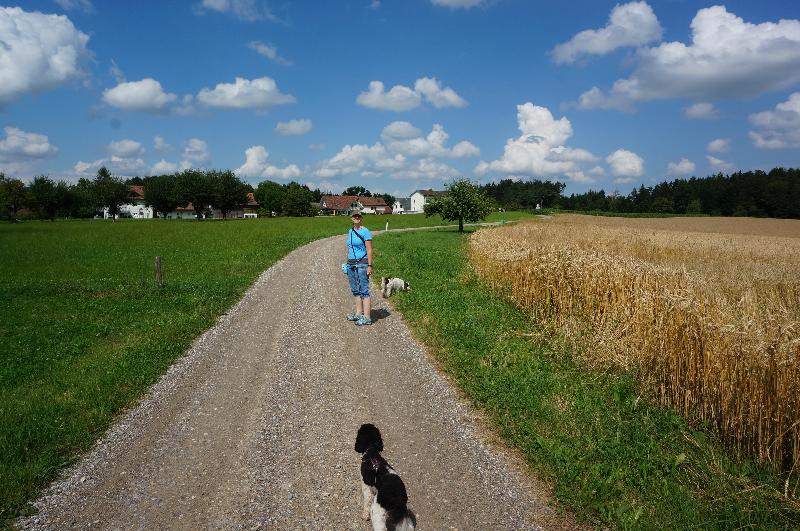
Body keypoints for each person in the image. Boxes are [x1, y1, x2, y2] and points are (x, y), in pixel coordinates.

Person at [345, 211, 373, 325]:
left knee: (364, 290)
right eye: (354, 216)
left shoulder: (365, 231)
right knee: (355, 290)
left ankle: (367, 317)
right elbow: (350, 248)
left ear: (361, 218)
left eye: (358, 216)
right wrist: (347, 263)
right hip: (351, 264)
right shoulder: (350, 231)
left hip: (362, 263)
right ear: (351, 218)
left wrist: (370, 265)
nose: (356, 218)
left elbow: (369, 249)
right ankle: (358, 314)